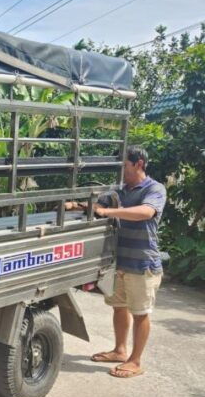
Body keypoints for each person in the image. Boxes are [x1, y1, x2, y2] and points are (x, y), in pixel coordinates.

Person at [69, 146, 166, 378]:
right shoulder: (119, 191)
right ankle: (120, 350)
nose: (121, 170)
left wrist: (109, 212)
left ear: (139, 164)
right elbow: (99, 207)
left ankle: (135, 361)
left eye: (124, 165)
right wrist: (78, 206)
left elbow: (145, 212)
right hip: (119, 262)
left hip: (142, 263)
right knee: (119, 307)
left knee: (141, 312)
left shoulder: (154, 189)